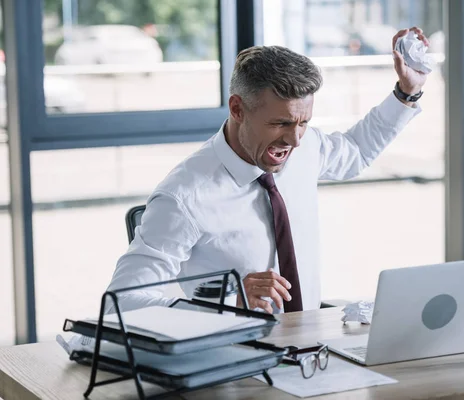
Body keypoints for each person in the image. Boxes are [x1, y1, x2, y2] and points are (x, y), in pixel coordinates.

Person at [107, 27, 429, 314]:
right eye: (281, 123)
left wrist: (406, 92)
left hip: (310, 345)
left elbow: (356, 151)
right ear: (237, 109)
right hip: (233, 359)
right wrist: (230, 298)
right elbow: (123, 301)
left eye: (304, 122)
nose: (295, 140)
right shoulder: (184, 197)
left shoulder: (302, 149)